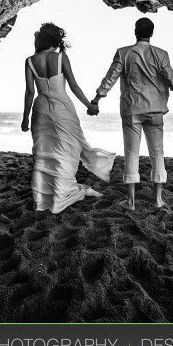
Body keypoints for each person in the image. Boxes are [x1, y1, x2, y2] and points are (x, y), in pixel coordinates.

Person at [91, 17, 173, 211]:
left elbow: (110, 78)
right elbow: (172, 80)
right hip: (155, 109)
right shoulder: (161, 54)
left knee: (131, 154)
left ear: (135, 31)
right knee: (157, 153)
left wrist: (97, 98)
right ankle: (157, 200)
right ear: (152, 33)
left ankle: (130, 202)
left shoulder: (124, 53)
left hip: (131, 110)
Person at [21, 23, 114, 214]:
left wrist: (25, 118)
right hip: (62, 106)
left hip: (40, 108)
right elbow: (73, 85)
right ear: (56, 41)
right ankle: (64, 191)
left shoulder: (30, 60)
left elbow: (30, 92)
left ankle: (43, 197)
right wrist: (90, 105)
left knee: (44, 152)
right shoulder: (61, 57)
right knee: (68, 149)